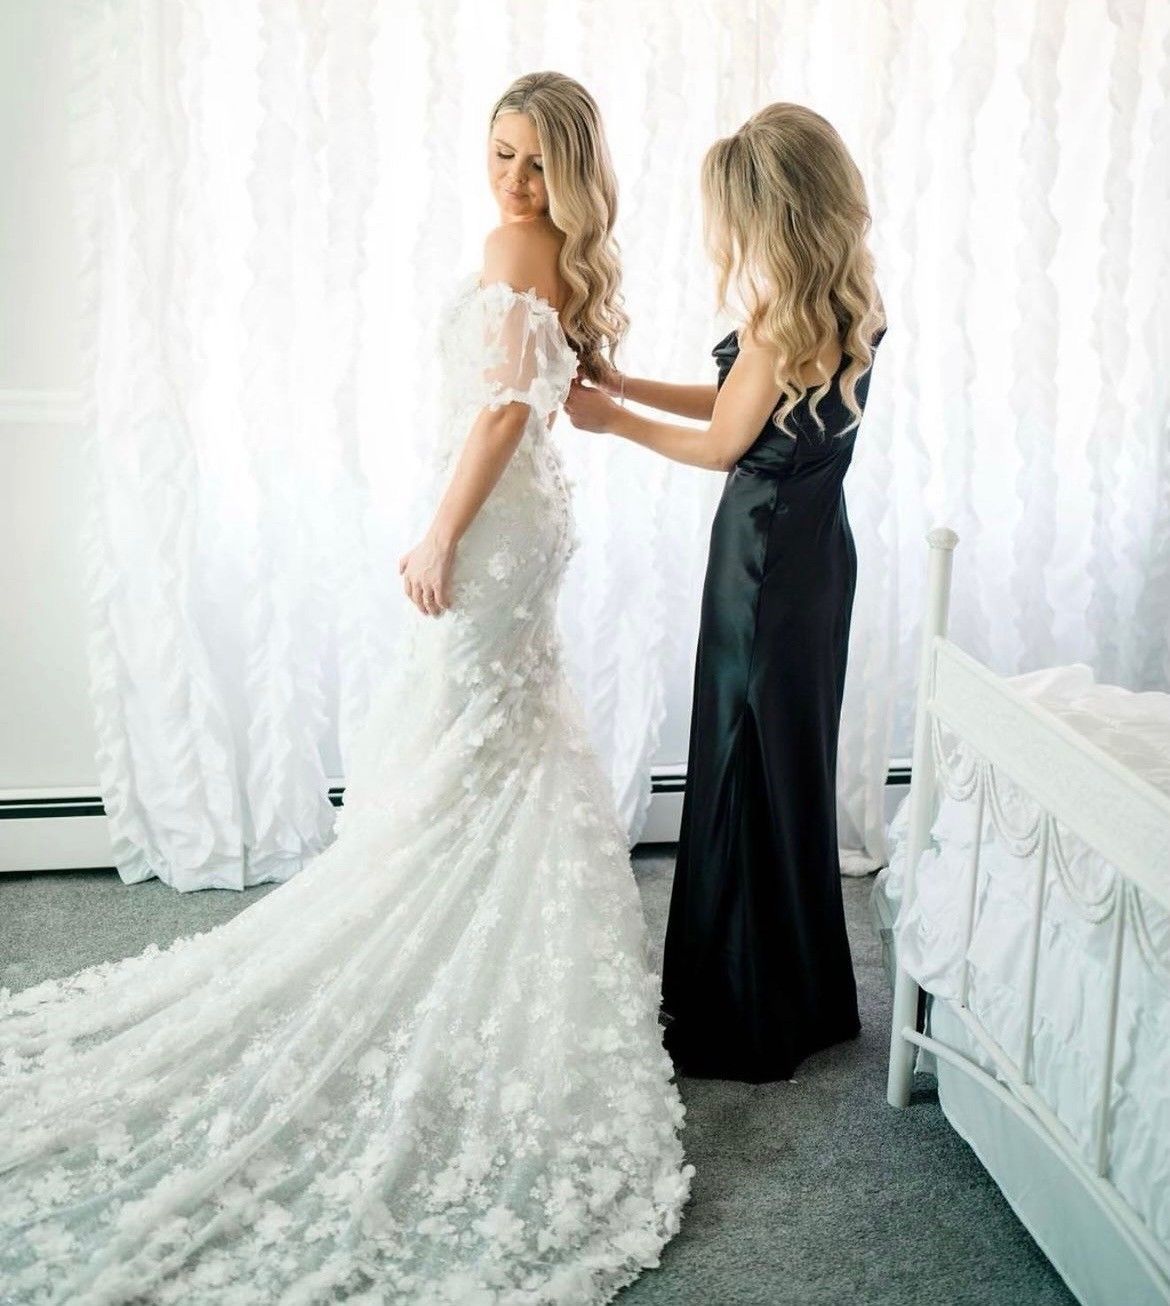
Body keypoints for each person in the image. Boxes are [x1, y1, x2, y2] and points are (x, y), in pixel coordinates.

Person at [0, 72, 693, 1304]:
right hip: (528, 522)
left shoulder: (515, 248)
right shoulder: (556, 253)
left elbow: (500, 415)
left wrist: (439, 533)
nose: (515, 180)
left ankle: (440, 958)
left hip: (494, 522)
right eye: (501, 152)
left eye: (538, 162)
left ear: (573, 171)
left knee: (477, 740)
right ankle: (472, 957)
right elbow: (539, 403)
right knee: (490, 741)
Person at [565, 102, 886, 1084]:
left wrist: (609, 420)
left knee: (744, 765)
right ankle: (805, 994)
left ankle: (745, 1018)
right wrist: (626, 385)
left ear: (771, 213)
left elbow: (721, 445)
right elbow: (735, 405)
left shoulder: (781, 324)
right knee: (786, 770)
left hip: (762, 569)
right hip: (816, 558)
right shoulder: (846, 303)